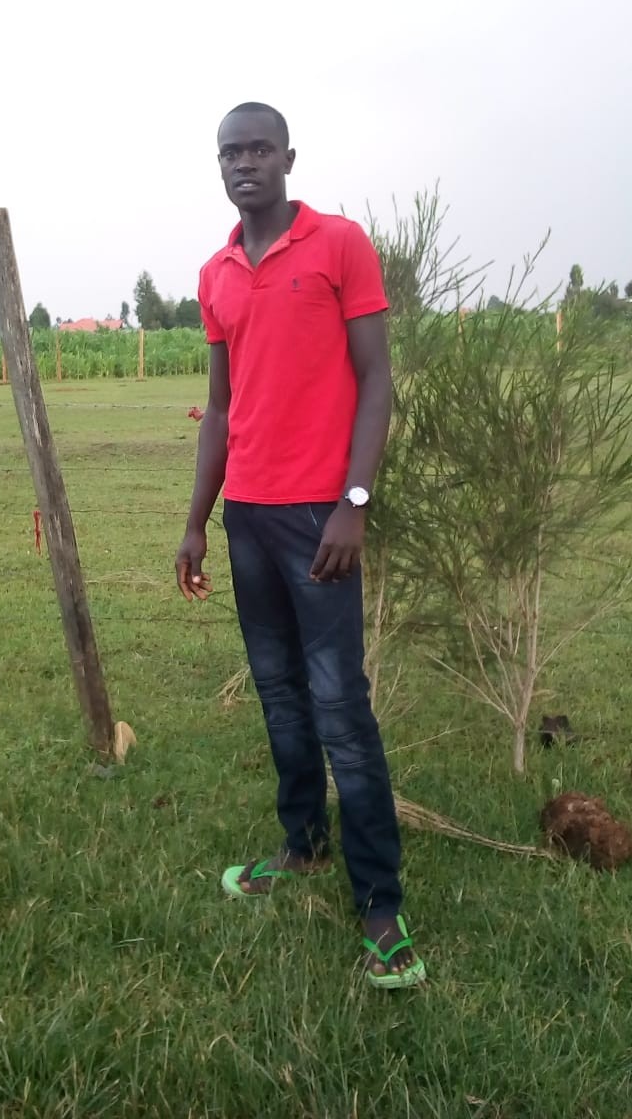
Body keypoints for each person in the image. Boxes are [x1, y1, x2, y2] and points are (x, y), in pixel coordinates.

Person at [175, 102, 425, 989]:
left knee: (339, 704)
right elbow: (221, 410)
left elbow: (377, 378)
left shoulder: (339, 245)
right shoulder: (215, 274)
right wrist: (197, 520)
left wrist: (354, 502)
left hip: (322, 516)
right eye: (229, 153)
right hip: (247, 516)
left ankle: (381, 906)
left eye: (258, 149)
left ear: (287, 157)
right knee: (279, 691)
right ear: (219, 166)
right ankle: (303, 844)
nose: (243, 164)